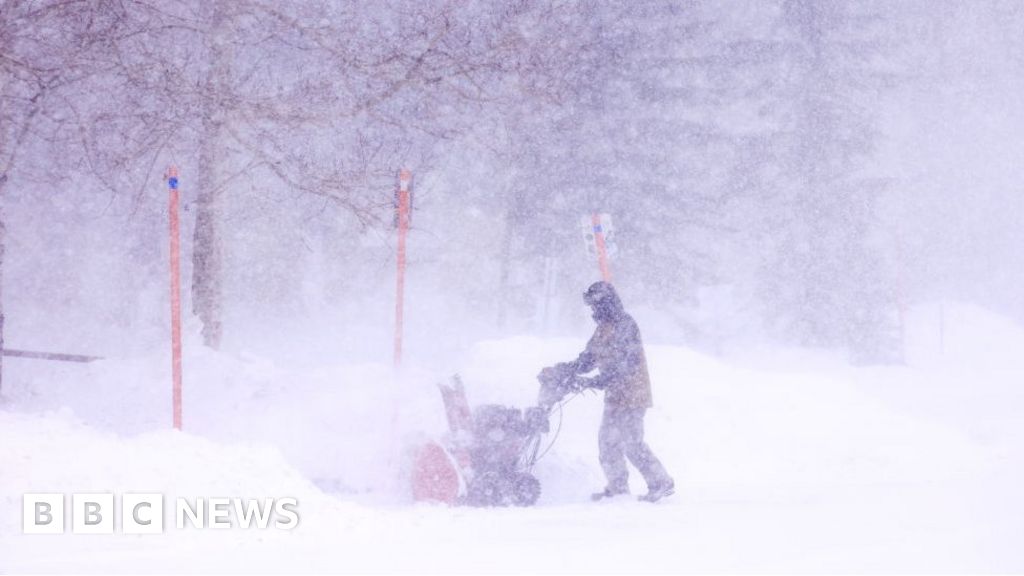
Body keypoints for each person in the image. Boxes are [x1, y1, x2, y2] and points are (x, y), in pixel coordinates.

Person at [544, 281, 675, 503]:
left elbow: (625, 362)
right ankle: (618, 488)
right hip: (615, 395)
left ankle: (661, 482)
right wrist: (566, 370)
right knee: (607, 442)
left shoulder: (625, 325)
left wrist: (598, 380)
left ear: (606, 303)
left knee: (632, 443)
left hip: (633, 393)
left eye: (595, 306)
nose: (593, 311)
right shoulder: (603, 328)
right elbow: (589, 358)